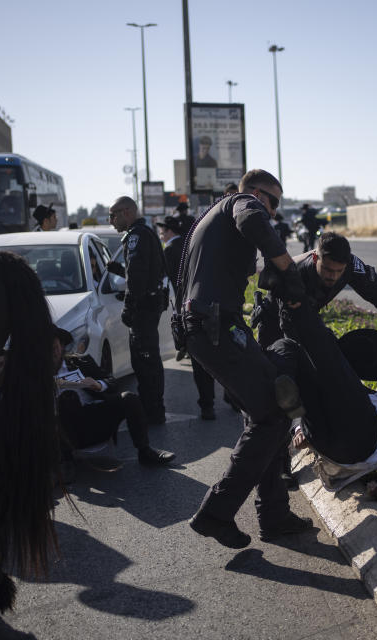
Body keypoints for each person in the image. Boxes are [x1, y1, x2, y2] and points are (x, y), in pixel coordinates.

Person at [177, 168, 311, 548]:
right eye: (273, 202)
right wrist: (287, 268)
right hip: (215, 326)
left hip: (214, 326)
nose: (273, 211)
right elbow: (253, 218)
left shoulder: (210, 218)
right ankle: (216, 514)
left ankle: (274, 514)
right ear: (255, 192)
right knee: (272, 414)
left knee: (271, 407)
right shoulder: (242, 203)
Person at [272, 308, 377, 500]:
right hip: (325, 438)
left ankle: (302, 312)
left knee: (331, 362)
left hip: (362, 444)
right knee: (288, 346)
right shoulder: (370, 396)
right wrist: (299, 429)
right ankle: (286, 382)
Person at [255, 232, 377, 351]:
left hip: (309, 313)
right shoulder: (295, 276)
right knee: (275, 363)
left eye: (339, 271)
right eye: (328, 270)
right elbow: (289, 325)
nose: (333, 276)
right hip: (275, 317)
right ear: (315, 258)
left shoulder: (351, 265)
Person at [53, 327, 174, 474]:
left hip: (92, 421)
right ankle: (66, 460)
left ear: (62, 345)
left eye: (54, 347)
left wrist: (98, 385)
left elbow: (111, 381)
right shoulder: (33, 376)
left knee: (128, 398)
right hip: (60, 430)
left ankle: (145, 451)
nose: (52, 353)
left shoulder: (80, 361)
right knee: (67, 399)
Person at [108, 197, 168, 425]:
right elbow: (144, 271)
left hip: (143, 310)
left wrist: (128, 307)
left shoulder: (135, 236)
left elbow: (137, 277)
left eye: (113, 215)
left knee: (145, 362)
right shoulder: (146, 232)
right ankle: (154, 408)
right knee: (149, 360)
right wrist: (120, 270)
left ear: (126, 213)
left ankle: (152, 411)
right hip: (150, 306)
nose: (111, 221)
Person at [159, 215, 217, 420]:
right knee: (222, 355)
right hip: (212, 305)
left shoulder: (172, 250)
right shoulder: (202, 245)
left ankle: (207, 405)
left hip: (189, 308)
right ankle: (232, 399)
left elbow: (170, 280)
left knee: (199, 359)